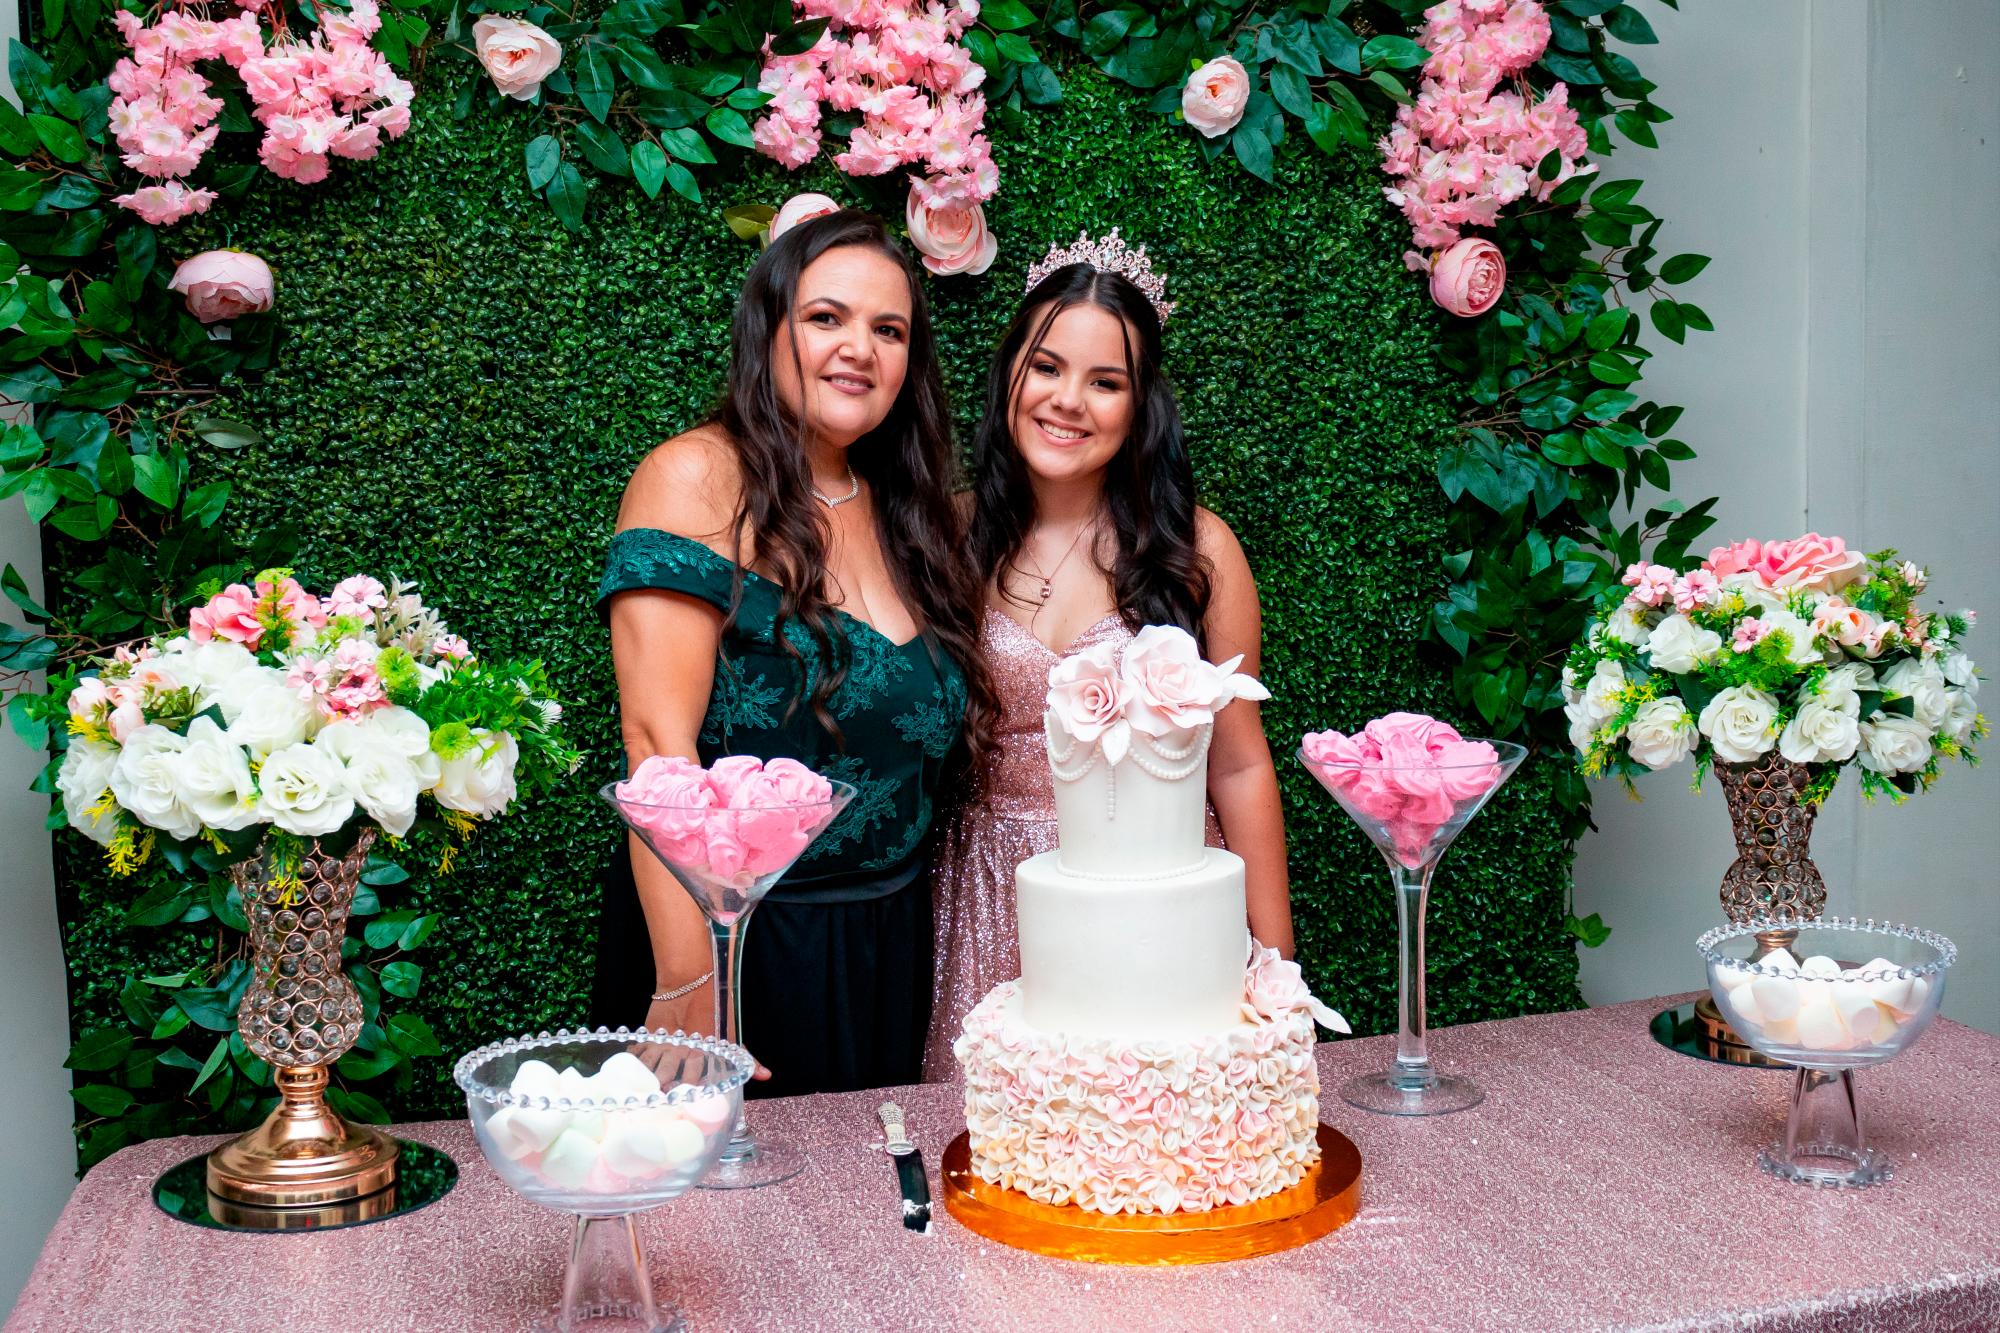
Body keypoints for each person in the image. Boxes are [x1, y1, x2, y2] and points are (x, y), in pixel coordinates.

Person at [594, 208, 993, 1097]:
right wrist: (690, 981)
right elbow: (657, 747)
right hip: (738, 943)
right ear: (768, 330)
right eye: (827, 318)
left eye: (888, 330)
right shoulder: (697, 478)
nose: (860, 348)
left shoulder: (913, 513)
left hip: (891, 940)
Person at [922, 230, 1295, 1081]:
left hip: (1153, 896)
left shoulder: (1197, 550)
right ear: (1010, 371)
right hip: (986, 890)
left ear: (1140, 405)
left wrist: (1276, 970)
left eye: (1106, 381)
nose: (1069, 401)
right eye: (1047, 367)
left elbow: (1239, 766)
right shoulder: (942, 534)